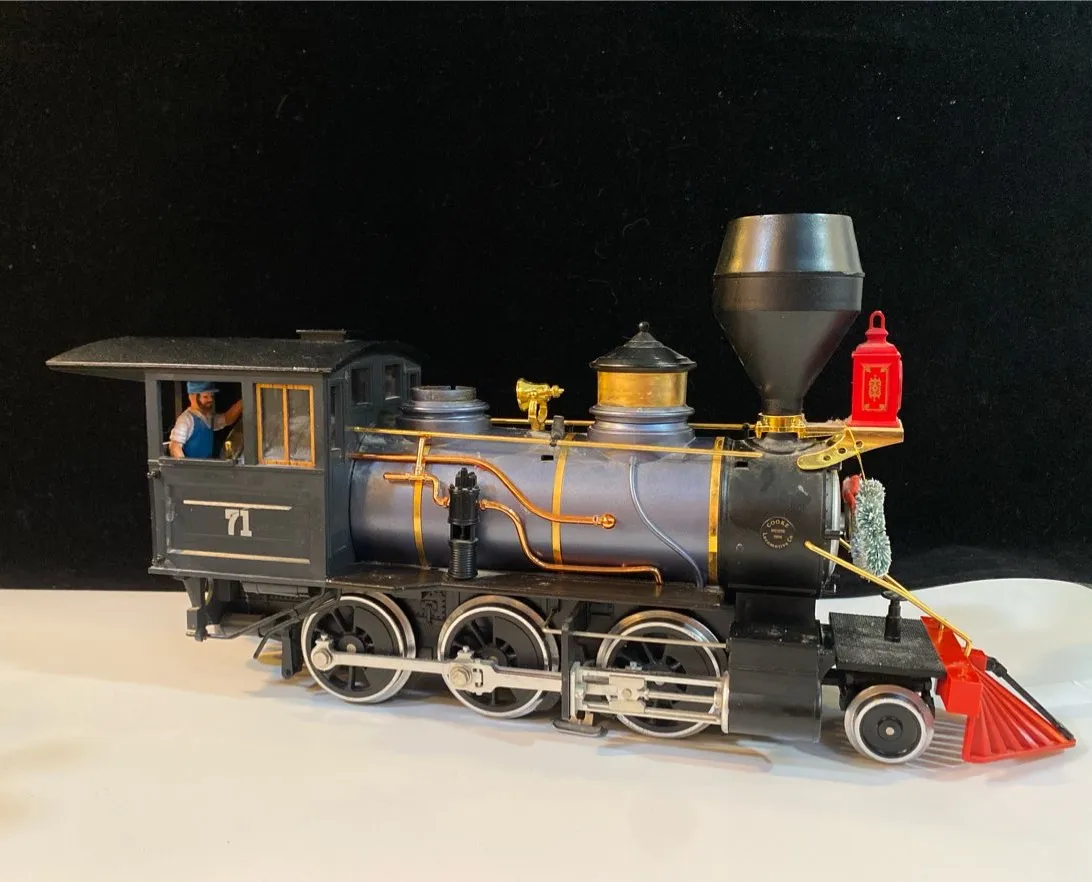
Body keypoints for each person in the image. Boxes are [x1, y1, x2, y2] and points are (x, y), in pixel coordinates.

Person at [169, 382, 243, 458]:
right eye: (205, 397)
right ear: (192, 397)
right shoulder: (186, 420)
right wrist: (187, 464)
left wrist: (242, 403)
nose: (210, 399)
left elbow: (227, 419)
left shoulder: (208, 418)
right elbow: (175, 447)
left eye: (211, 396)